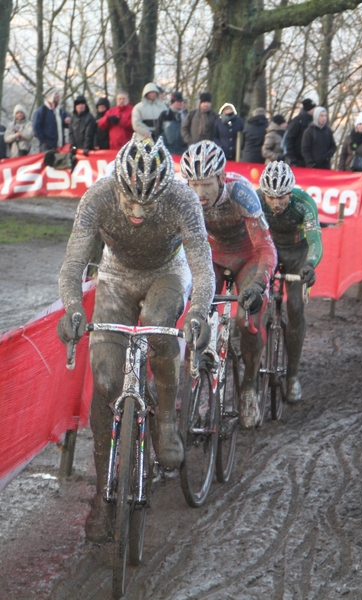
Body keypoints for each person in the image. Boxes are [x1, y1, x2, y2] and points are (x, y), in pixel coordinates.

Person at [57, 134, 215, 543]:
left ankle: (164, 420)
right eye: (130, 202)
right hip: (115, 277)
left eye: (148, 203)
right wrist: (73, 308)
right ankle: (101, 495)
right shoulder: (97, 197)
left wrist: (197, 311)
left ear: (165, 189)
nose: (138, 212)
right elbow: (73, 263)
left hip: (167, 272)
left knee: (160, 325)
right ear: (117, 188)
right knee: (107, 382)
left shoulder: (183, 200)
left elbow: (203, 267)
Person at [180, 141, 277, 429]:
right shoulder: (183, 195)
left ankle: (248, 387)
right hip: (212, 256)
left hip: (248, 255)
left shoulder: (241, 192)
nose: (199, 193)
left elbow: (266, 248)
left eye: (206, 184)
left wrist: (260, 284)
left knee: (247, 318)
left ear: (221, 178)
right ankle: (192, 387)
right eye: (193, 184)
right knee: (196, 316)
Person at [257, 161, 322, 402]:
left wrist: (310, 264)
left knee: (295, 307)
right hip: (269, 251)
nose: (275, 203)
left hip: (297, 255)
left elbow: (315, 239)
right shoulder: (255, 199)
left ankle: (293, 375)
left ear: (290, 191)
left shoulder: (303, 203)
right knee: (256, 304)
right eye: (270, 197)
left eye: (282, 197)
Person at [33, 86, 71, 152]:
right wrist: (43, 141)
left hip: (61, 146)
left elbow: (68, 123)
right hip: (47, 147)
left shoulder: (61, 110)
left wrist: (68, 121)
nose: (58, 95)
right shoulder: (42, 111)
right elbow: (36, 127)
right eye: (56, 94)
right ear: (51, 96)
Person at [285, 98, 316, 167]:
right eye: (314, 108)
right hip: (298, 159)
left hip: (310, 159)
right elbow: (289, 139)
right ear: (309, 109)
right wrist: (291, 157)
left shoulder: (314, 122)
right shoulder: (297, 121)